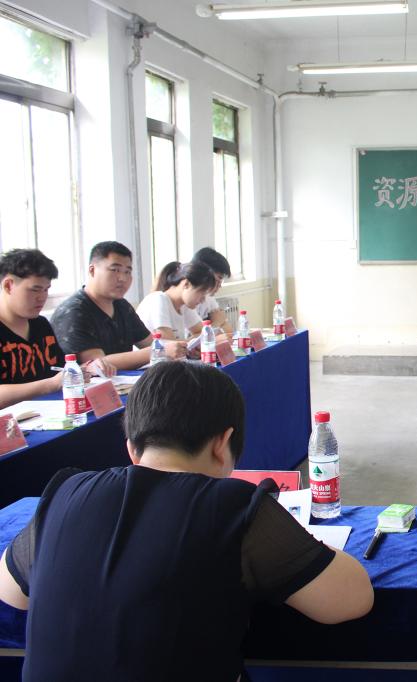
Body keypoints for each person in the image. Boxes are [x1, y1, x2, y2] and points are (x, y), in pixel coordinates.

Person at [0, 361, 374, 680]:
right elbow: (351, 600)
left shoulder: (66, 491)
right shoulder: (233, 506)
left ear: (131, 447)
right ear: (223, 444)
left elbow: (11, 591)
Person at [0, 249, 109, 408]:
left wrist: (85, 369)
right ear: (8, 286)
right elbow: (54, 381)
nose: (42, 297)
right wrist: (51, 384)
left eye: (46, 289)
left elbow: (58, 371)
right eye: (35, 289)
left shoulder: (41, 325)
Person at [51, 241, 185, 370]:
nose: (123, 278)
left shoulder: (122, 306)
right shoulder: (73, 312)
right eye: (115, 270)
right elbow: (98, 363)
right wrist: (158, 351)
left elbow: (150, 343)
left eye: (127, 272)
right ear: (92, 270)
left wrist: (181, 347)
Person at [136, 260, 218, 342]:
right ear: (186, 284)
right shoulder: (158, 300)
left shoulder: (183, 305)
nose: (202, 301)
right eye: (201, 294)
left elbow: (202, 332)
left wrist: (189, 343)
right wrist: (190, 343)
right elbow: (169, 345)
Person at [192, 246, 234, 335]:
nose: (220, 286)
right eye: (218, 279)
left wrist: (217, 326)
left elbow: (229, 330)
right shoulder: (186, 303)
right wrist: (217, 324)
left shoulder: (208, 297)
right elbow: (192, 339)